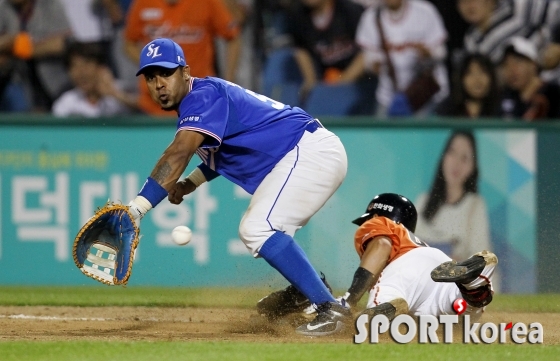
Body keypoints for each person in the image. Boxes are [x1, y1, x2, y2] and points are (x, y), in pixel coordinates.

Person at [126, 38, 350, 336]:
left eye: (165, 73)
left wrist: (137, 208)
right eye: (151, 77)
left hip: (308, 151)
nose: (158, 84)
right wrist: (190, 183)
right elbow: (223, 152)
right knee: (265, 227)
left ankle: (329, 308)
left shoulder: (201, 96)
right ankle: (306, 290)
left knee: (258, 228)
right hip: (306, 154)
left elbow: (179, 152)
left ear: (185, 72)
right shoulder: (200, 101)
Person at [258, 193, 498, 332]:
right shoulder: (420, 243)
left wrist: (350, 301)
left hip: (403, 270)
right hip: (439, 268)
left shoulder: (380, 224)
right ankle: (474, 286)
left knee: (364, 318)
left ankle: (388, 309)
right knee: (460, 314)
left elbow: (382, 245)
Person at [123, 0, 241, 116]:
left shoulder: (207, 2)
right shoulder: (143, 3)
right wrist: (152, 65)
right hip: (153, 103)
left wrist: (228, 81)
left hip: (200, 99)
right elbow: (129, 43)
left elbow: (232, 37)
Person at [355, 0, 449, 117]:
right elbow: (368, 57)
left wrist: (428, 53)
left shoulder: (425, 11)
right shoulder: (371, 17)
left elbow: (442, 52)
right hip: (389, 96)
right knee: (382, 134)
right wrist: (374, 65)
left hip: (425, 95)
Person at [414, 131, 491, 261]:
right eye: (452, 153)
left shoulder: (474, 205)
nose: (456, 163)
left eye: (464, 158)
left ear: (473, 167)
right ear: (443, 156)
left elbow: (481, 258)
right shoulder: (422, 201)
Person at [0, 0, 73, 111]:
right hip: (22, 82)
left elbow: (62, 43)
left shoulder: (50, 5)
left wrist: (21, 49)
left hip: (55, 79)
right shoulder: (4, 8)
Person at [285, 0, 366, 97]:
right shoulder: (297, 15)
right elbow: (301, 50)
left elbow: (367, 52)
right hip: (324, 82)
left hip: (359, 83)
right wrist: (311, 83)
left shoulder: (351, 10)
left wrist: (342, 82)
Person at [458, 0, 560, 64]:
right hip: (514, 95)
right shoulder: (471, 40)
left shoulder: (517, 6)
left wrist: (557, 45)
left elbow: (557, 11)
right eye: (462, 1)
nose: (468, 5)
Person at [52, 42, 137, 117]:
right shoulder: (66, 102)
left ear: (101, 68)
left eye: (86, 64)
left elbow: (145, 109)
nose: (81, 73)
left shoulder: (124, 90)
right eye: (74, 66)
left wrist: (115, 94)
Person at [499, 37, 560, 121]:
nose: (511, 70)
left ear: (533, 64)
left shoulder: (554, 94)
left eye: (518, 62)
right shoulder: (503, 97)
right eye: (506, 64)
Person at [435, 53, 500, 118]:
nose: (477, 79)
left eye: (482, 72)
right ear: (461, 79)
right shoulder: (446, 109)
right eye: (470, 73)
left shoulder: (501, 108)